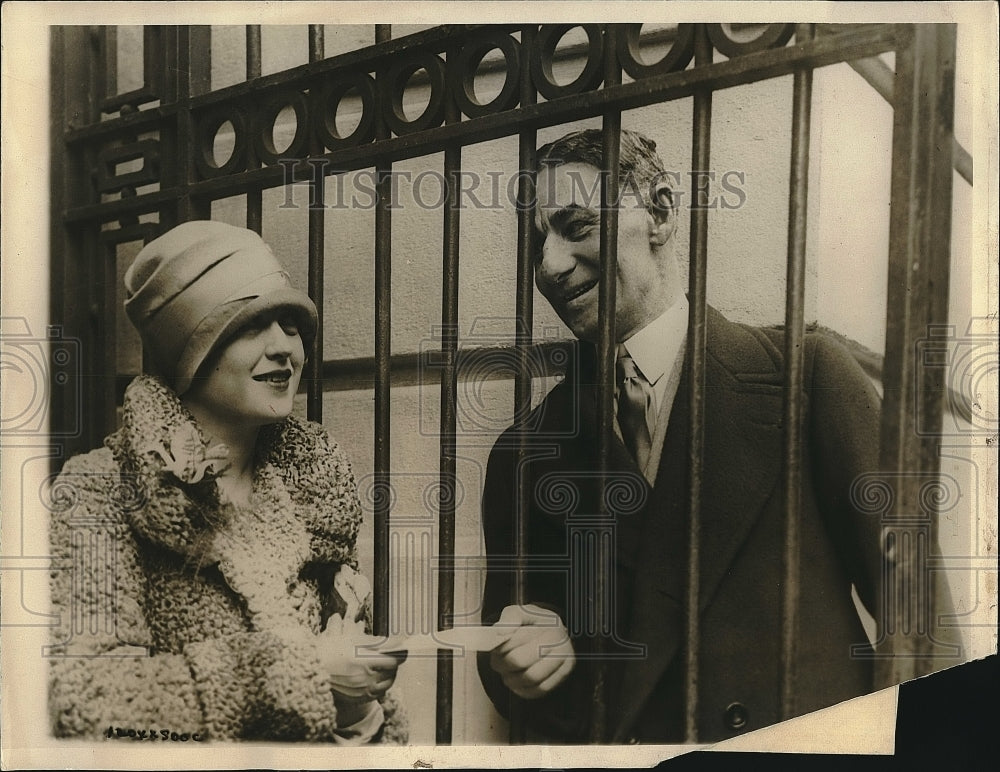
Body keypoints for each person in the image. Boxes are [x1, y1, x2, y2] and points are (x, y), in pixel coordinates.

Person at [477, 129, 959, 743]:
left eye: (577, 226)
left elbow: (918, 616)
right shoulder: (525, 455)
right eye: (537, 240)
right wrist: (525, 658)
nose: (549, 264)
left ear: (660, 212)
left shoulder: (808, 379)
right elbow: (505, 665)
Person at [48, 221, 405, 743]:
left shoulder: (310, 496)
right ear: (191, 346)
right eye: (252, 323)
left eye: (290, 323)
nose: (285, 347)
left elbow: (342, 692)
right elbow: (89, 706)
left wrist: (358, 713)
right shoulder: (98, 492)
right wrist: (291, 672)